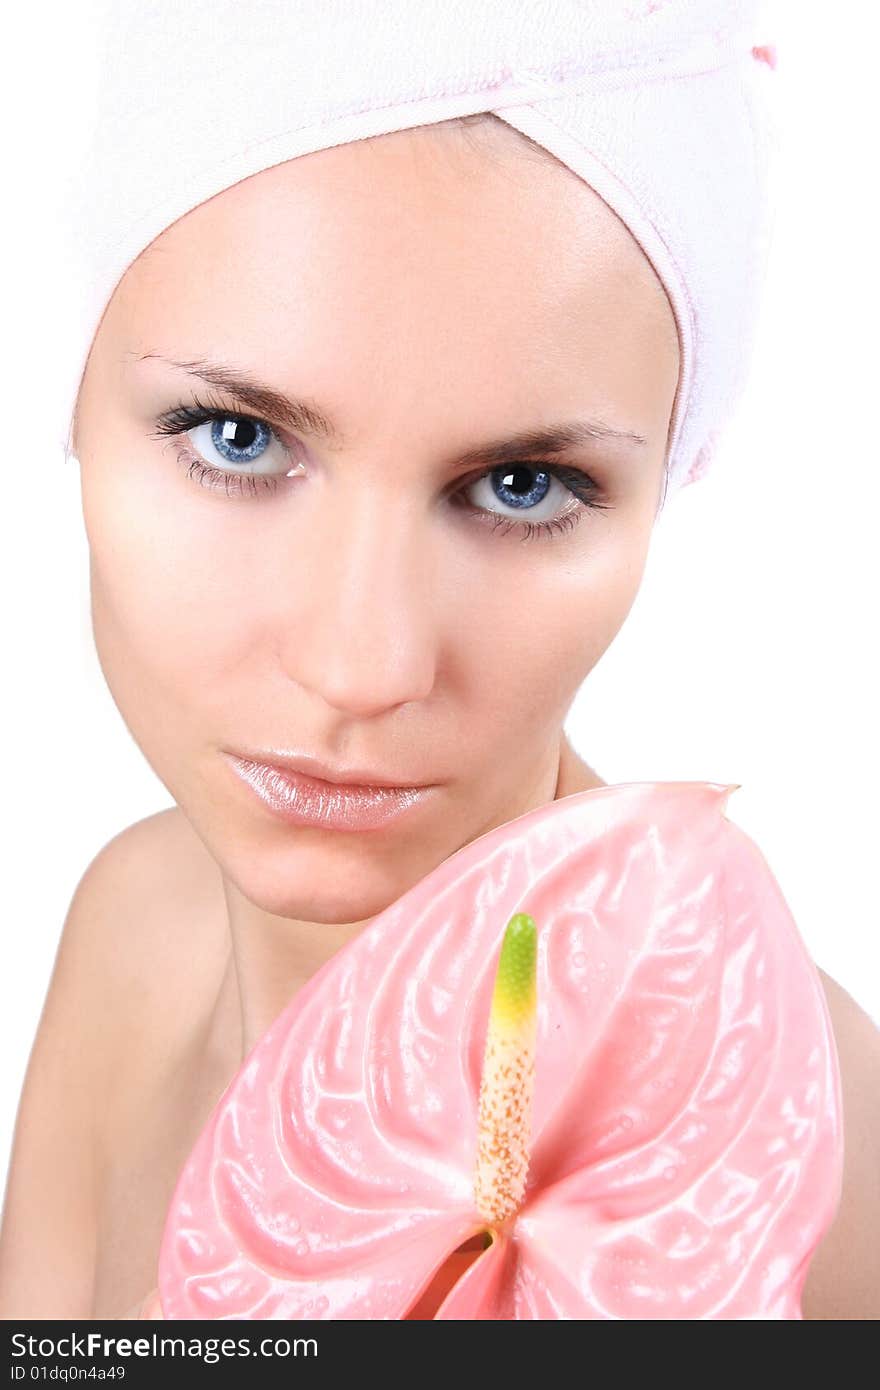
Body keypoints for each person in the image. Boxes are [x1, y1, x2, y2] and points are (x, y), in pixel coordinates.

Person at [1, 3, 878, 1321]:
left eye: (522, 485)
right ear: (69, 400)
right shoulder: (133, 920)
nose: (362, 664)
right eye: (237, 437)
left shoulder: (790, 1119)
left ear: (663, 489)